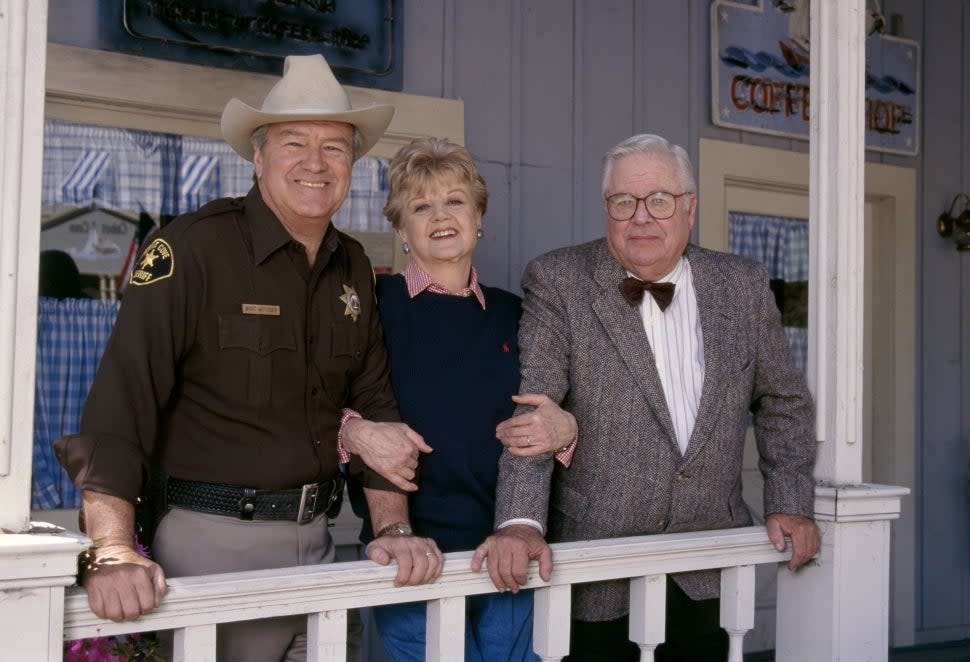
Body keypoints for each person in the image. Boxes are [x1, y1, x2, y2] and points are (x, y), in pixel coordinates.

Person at [54, 54, 440, 662]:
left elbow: (375, 406)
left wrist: (393, 527)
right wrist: (113, 550)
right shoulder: (191, 248)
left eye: (335, 148)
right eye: (294, 143)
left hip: (319, 544)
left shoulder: (354, 267)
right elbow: (120, 408)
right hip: (209, 547)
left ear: (352, 166)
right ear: (257, 157)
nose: (316, 163)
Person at [472, 133, 820, 661]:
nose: (641, 217)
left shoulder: (743, 284)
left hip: (710, 561)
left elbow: (783, 401)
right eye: (623, 202)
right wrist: (520, 523)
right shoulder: (560, 279)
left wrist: (790, 502)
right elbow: (534, 414)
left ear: (690, 208)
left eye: (660, 200)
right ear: (605, 207)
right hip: (598, 567)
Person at [355, 137, 577, 662]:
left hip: (505, 551)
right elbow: (338, 409)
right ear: (402, 229)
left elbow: (555, 411)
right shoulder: (374, 306)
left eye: (454, 200)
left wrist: (566, 429)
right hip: (413, 556)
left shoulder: (515, 314)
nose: (440, 216)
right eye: (420, 206)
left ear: (478, 216)